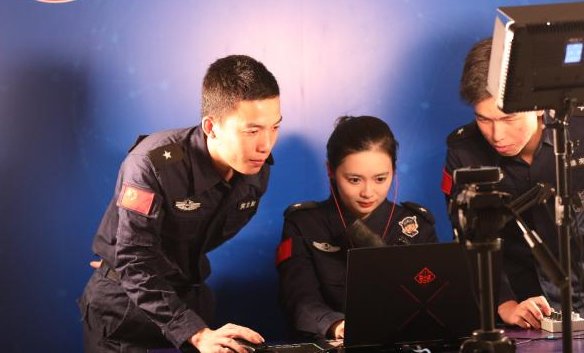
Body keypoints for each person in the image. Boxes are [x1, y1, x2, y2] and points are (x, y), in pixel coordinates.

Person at [443, 38, 584, 330]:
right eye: (484, 119)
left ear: (538, 106)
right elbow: (468, 238)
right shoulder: (464, 151)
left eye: (509, 118)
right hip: (517, 312)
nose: (496, 135)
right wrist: (504, 304)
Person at [78, 55, 282, 353]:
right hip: (124, 310)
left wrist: (158, 265)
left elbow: (199, 237)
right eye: (252, 131)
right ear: (211, 127)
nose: (266, 144)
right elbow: (134, 260)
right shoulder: (151, 164)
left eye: (274, 127)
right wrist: (195, 332)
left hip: (188, 299)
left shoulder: (255, 168)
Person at [276, 116, 438, 340]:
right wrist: (336, 325)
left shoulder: (417, 226)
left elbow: (433, 300)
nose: (368, 193)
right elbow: (299, 299)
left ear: (394, 170)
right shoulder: (304, 224)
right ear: (330, 170)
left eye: (380, 179)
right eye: (354, 180)